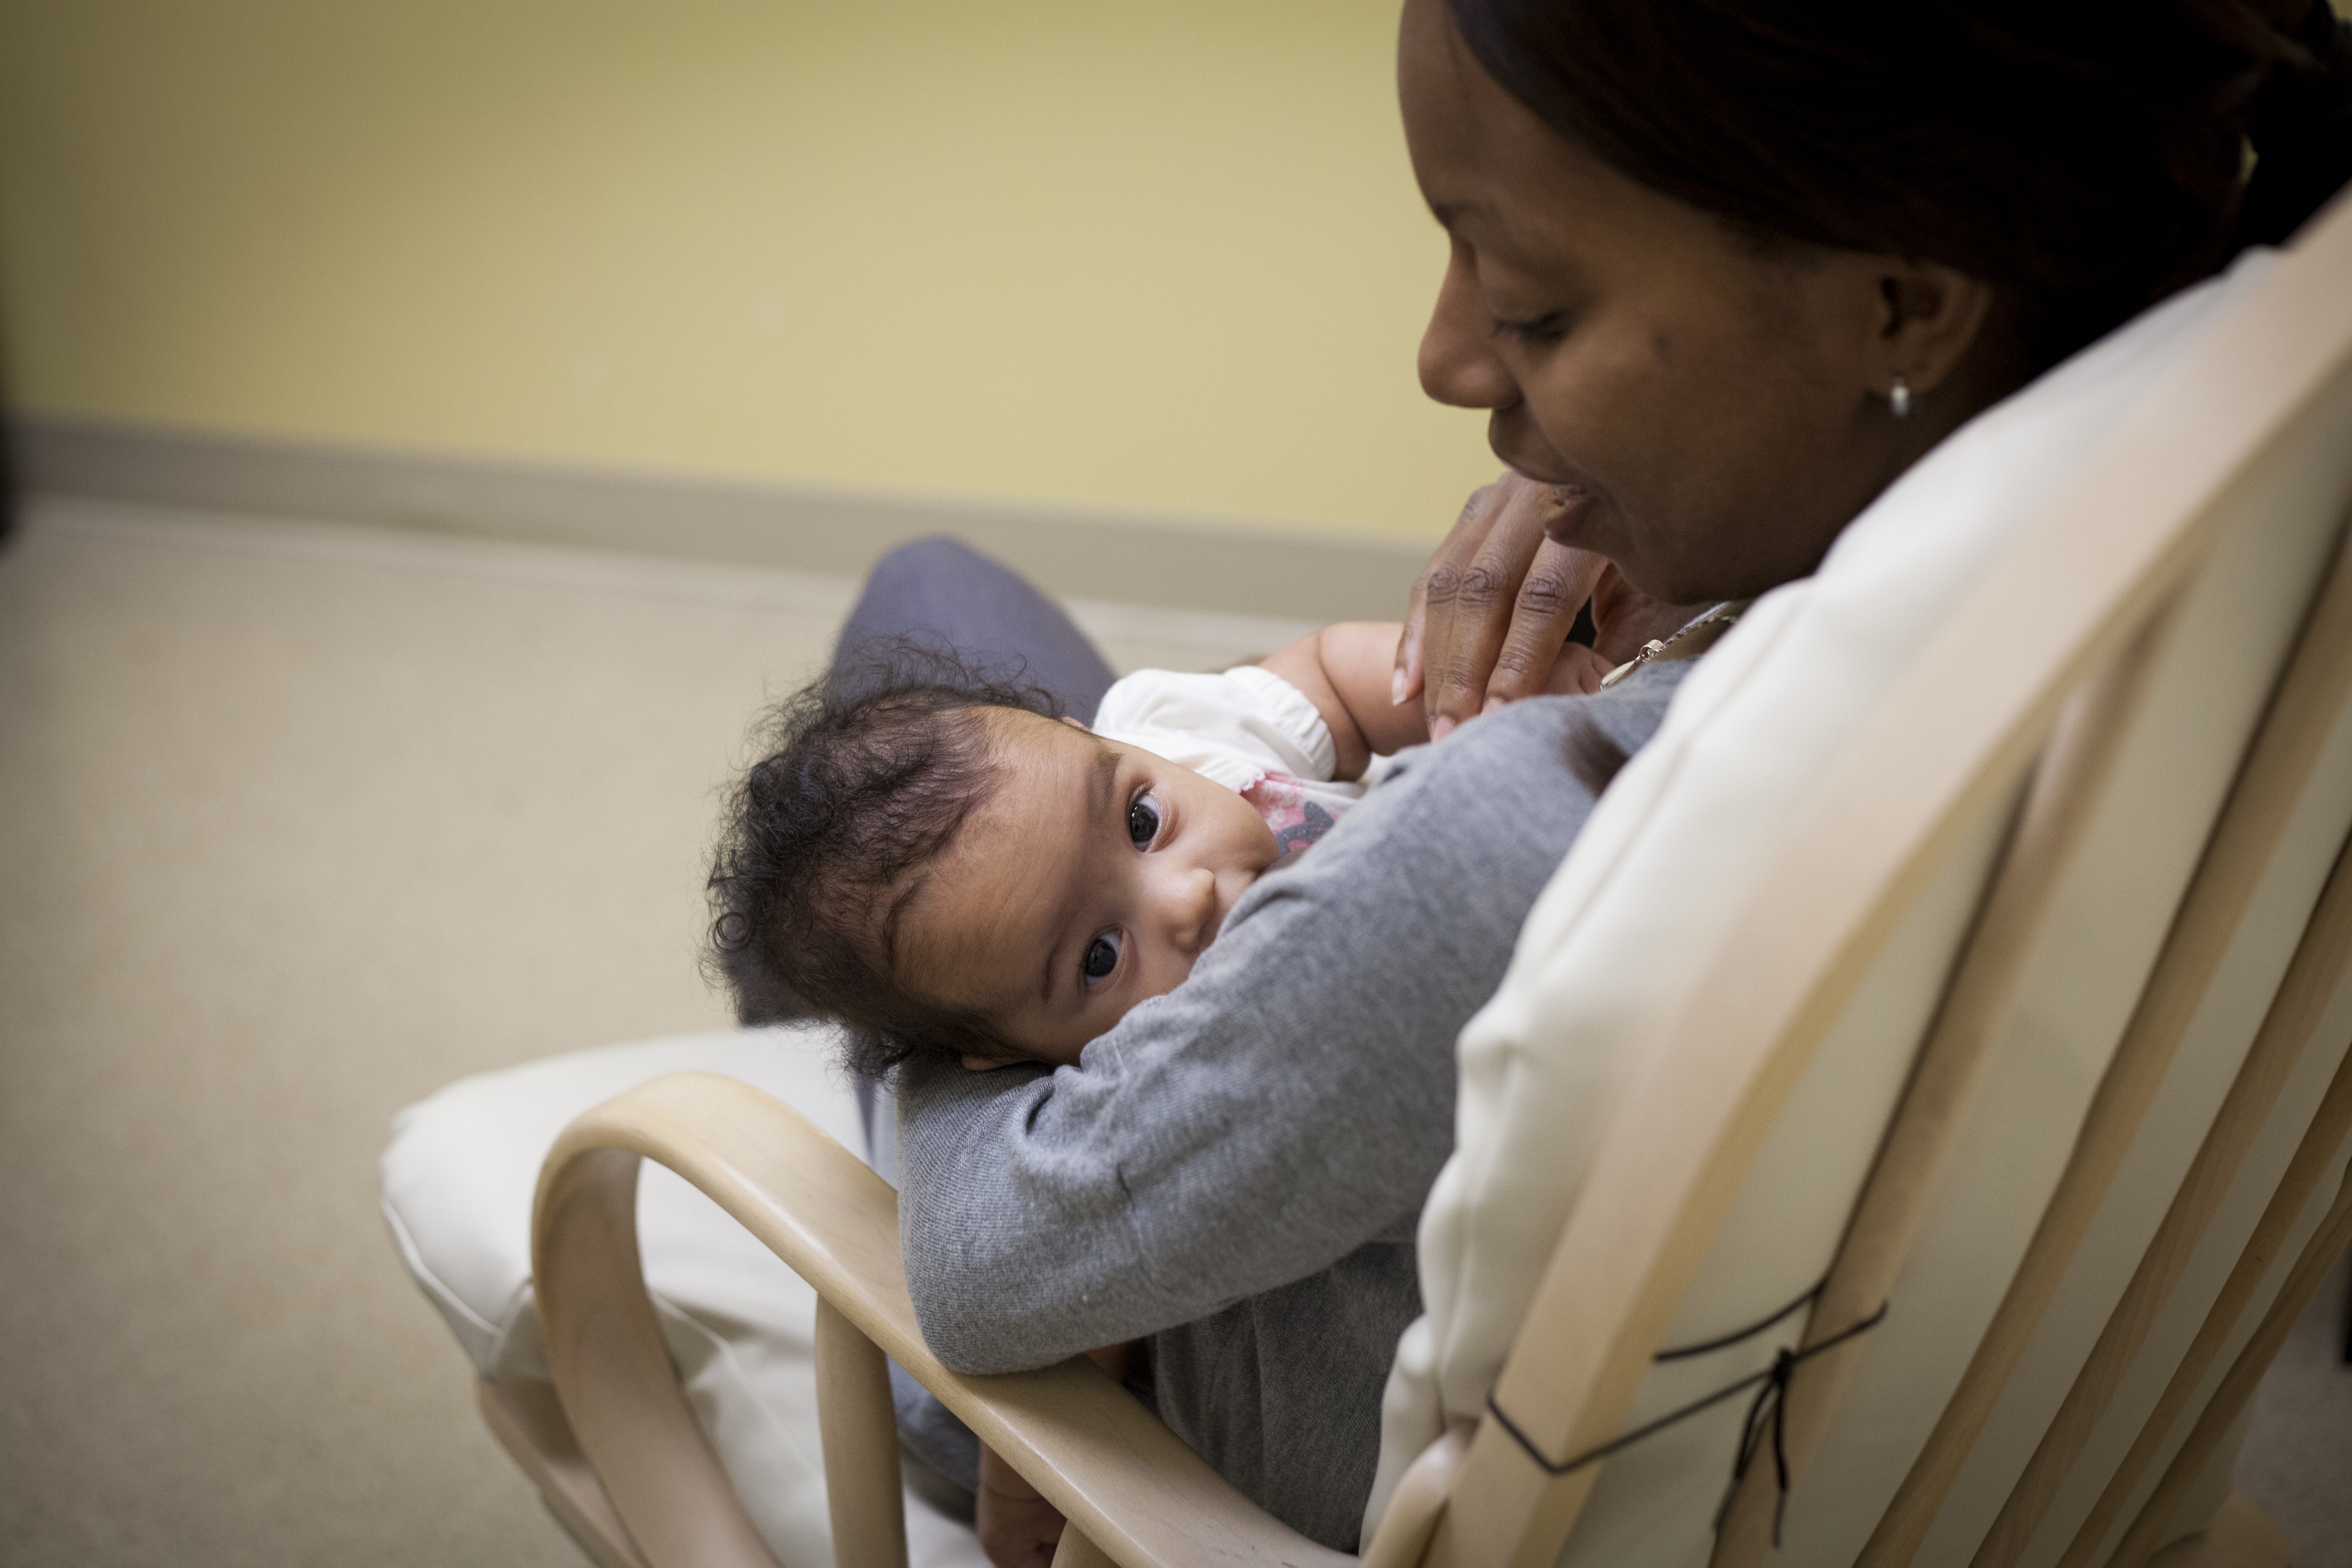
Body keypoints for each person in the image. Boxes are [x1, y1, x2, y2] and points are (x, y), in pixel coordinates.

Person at [858, 3, 2352, 1562]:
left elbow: (981, 1268)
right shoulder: (2223, 592)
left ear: (1904, 306)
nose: (1443, 359)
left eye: (1529, 303)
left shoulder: (1504, 842)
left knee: (918, 664)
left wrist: (953, 1021)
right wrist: (1722, 562)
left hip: (1187, 1415)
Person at [707, 617, 1643, 1076]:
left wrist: (1475, 693)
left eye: (1142, 822)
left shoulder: (1179, 733)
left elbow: (1328, 677)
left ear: (1092, 736)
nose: (1185, 900)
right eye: (1099, 957)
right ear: (999, 1052)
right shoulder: (1126, 1093)